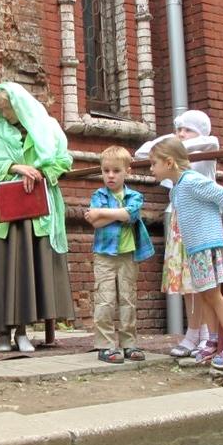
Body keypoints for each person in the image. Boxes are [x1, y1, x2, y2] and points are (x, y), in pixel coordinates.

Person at [0, 82, 75, 352]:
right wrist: (16, 167)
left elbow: (63, 160)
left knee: (28, 270)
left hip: (36, 211)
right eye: (1, 109)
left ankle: (23, 332)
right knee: (4, 271)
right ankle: (2, 333)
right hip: (6, 215)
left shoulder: (48, 126)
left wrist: (41, 172)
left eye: (8, 108)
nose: (6, 114)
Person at [149, 136, 223, 369]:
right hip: (194, 249)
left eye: (154, 163)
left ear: (169, 162)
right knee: (204, 296)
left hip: (206, 246)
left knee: (213, 296)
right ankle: (212, 340)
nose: (151, 168)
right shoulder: (177, 188)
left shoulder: (191, 181)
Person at [135, 109, 220, 358]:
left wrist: (176, 146)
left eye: (187, 130)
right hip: (177, 219)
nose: (182, 134)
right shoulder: (176, 150)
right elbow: (143, 151)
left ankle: (206, 335)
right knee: (185, 280)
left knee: (201, 280)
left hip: (199, 220)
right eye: (179, 130)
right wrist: (171, 142)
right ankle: (193, 332)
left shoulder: (206, 147)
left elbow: (211, 140)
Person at [84, 145, 155, 363]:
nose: (111, 175)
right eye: (106, 171)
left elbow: (129, 214)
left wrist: (101, 213)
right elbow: (96, 224)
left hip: (128, 255)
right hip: (104, 255)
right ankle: (105, 345)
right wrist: (118, 215)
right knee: (105, 299)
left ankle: (129, 343)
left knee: (128, 299)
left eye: (116, 171)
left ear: (128, 171)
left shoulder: (135, 196)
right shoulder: (99, 194)